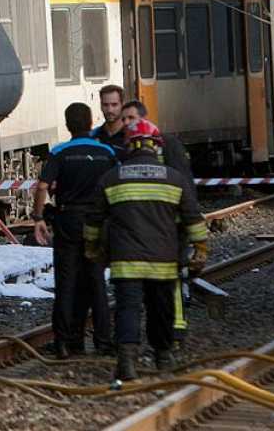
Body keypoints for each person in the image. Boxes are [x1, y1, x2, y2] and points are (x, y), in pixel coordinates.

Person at [85, 118, 209, 381]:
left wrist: (93, 248)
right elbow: (193, 219)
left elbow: (93, 220)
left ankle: (126, 362)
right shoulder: (174, 179)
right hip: (163, 260)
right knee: (161, 309)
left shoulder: (111, 178)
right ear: (156, 146)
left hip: (125, 261)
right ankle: (163, 357)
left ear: (129, 146)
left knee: (127, 309)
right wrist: (200, 249)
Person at [32, 103, 117, 358]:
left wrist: (38, 217)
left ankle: (63, 342)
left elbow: (42, 186)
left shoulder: (60, 152)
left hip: (68, 220)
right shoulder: (106, 152)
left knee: (66, 282)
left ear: (68, 125)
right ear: (91, 123)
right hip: (97, 222)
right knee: (96, 282)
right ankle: (103, 341)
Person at [121, 99, 196, 348]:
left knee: (171, 279)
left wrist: (187, 223)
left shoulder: (169, 145)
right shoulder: (127, 146)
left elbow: (184, 186)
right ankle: (163, 336)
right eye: (124, 119)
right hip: (144, 227)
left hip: (169, 226)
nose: (127, 123)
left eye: (131, 118)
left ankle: (175, 331)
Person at [91, 85, 127, 152]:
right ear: (101, 106)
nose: (110, 110)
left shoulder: (131, 136)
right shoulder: (93, 136)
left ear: (123, 105)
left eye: (114, 105)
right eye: (105, 105)